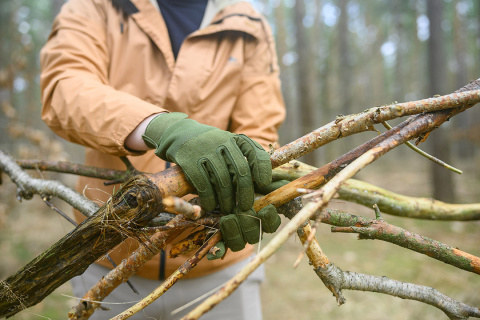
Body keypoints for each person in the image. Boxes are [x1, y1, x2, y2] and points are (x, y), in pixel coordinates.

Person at [40, 0, 286, 319]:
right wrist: (155, 125)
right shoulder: (95, 5)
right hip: (107, 260)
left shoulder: (247, 21)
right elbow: (65, 87)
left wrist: (248, 188)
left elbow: (259, 127)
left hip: (217, 267)